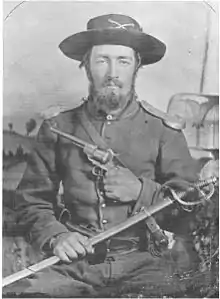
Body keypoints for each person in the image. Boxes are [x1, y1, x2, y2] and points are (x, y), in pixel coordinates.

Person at [4, 14, 208, 298]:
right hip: (74, 265)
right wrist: (56, 235)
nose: (112, 72)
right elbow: (32, 201)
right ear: (86, 65)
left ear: (137, 66)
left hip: (146, 263)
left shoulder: (165, 130)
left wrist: (140, 190)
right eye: (102, 60)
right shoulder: (58, 127)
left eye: (123, 61)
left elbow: (190, 210)